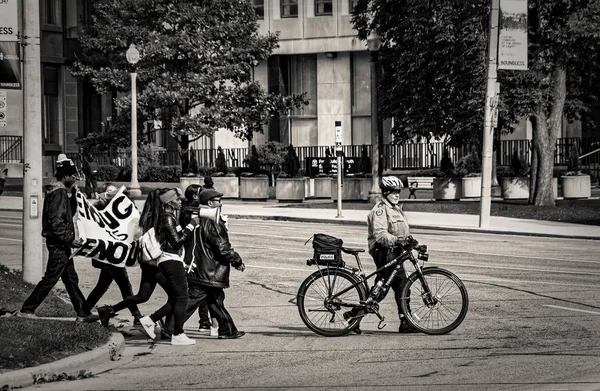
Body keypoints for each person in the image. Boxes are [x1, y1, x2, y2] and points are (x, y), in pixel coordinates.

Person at [17, 158, 88, 320]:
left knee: (71, 280)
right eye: (73, 176)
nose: (75, 179)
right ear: (66, 176)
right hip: (59, 244)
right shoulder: (58, 193)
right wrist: (70, 240)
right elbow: (56, 222)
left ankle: (83, 313)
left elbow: (65, 212)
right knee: (51, 278)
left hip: (61, 243)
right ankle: (27, 310)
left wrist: (75, 198)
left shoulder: (60, 192)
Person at [352, 176, 417, 334]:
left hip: (395, 251)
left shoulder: (395, 208)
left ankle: (405, 322)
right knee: (381, 289)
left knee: (402, 286)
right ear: (386, 192)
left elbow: (400, 231)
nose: (397, 195)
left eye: (398, 192)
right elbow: (380, 235)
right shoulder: (380, 210)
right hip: (383, 252)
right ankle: (353, 318)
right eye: (394, 192)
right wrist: (398, 241)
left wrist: (409, 241)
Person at [97, 189, 170, 327]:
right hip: (156, 263)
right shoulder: (159, 217)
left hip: (147, 262)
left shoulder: (145, 217)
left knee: (142, 296)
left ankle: (109, 310)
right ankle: (161, 322)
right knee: (177, 295)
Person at [136, 188, 199, 346]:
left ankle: (151, 320)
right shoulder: (167, 218)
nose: (180, 202)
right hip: (169, 261)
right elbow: (177, 242)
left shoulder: (169, 217)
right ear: (170, 202)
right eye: (177, 200)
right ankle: (177, 333)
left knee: (178, 297)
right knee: (182, 297)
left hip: (172, 259)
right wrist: (191, 225)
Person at [187, 189, 245, 339]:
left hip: (203, 268)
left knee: (216, 301)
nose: (221, 203)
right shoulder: (212, 221)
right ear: (210, 203)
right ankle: (169, 326)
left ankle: (227, 330)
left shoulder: (199, 217)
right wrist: (237, 260)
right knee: (190, 302)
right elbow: (222, 247)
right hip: (209, 270)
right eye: (218, 200)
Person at [82, 184, 142, 324]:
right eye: (109, 191)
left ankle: (84, 311)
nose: (112, 193)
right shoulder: (101, 210)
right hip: (111, 255)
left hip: (115, 254)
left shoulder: (124, 209)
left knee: (103, 285)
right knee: (124, 285)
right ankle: (136, 316)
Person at [179, 184, 212, 333]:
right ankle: (169, 320)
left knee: (200, 290)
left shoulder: (195, 210)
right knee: (195, 292)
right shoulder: (190, 211)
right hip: (193, 255)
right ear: (195, 196)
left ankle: (204, 321)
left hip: (194, 253)